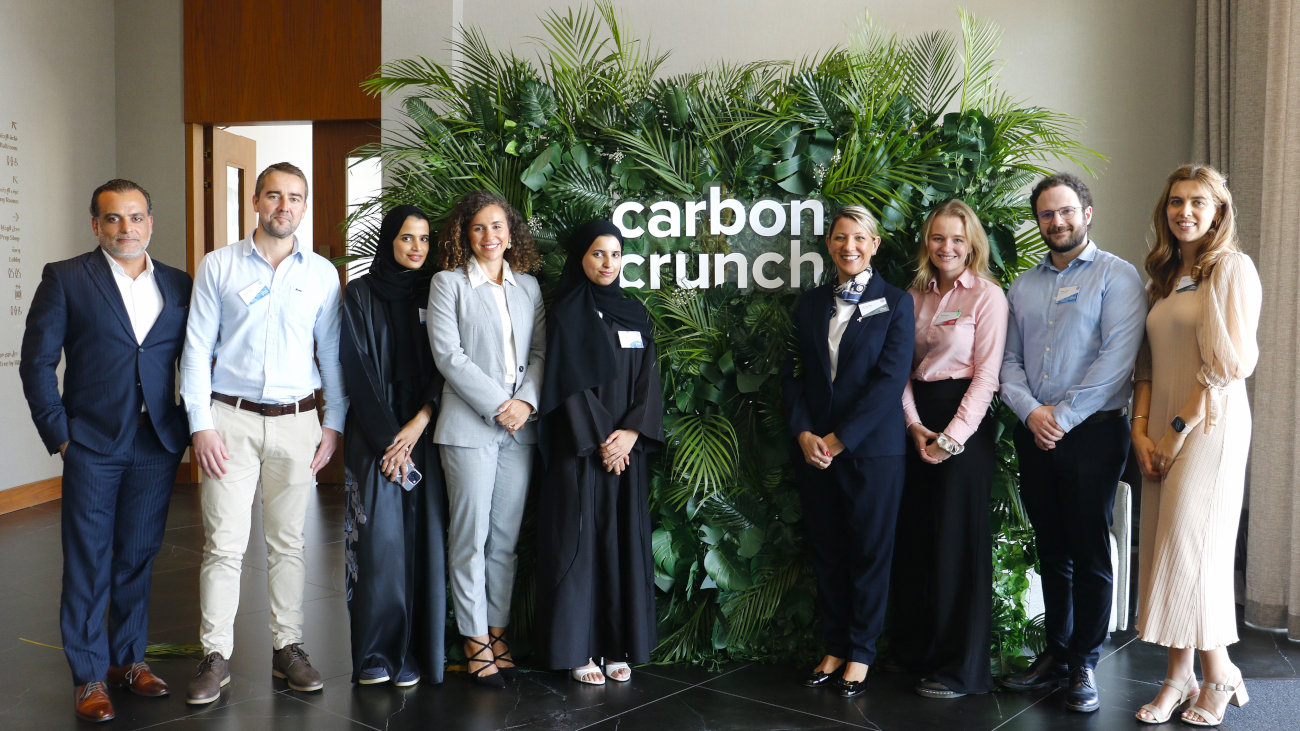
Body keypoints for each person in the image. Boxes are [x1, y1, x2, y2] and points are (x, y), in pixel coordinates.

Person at [20, 179, 192, 722]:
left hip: (157, 441)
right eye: (114, 219)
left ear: (150, 222)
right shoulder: (67, 277)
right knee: (89, 560)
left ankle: (127, 661)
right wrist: (61, 435)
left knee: (137, 556)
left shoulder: (179, 284)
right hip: (91, 442)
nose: (126, 228)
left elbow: (200, 356)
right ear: (96, 225)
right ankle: (90, 675)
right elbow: (37, 363)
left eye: (136, 217)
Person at [179, 162, 347, 704]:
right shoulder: (219, 266)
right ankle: (214, 655)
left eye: (295, 197)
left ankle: (287, 648)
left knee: (289, 544)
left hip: (299, 421)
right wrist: (200, 425)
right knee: (224, 545)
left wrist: (333, 423)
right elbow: (196, 350)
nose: (284, 206)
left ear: (304, 206)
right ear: (255, 201)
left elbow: (334, 357)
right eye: (274, 196)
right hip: (229, 421)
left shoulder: (321, 274)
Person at [998, 173, 1147, 713]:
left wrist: (1058, 417)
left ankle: (1084, 661)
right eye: (1045, 214)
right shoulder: (1023, 285)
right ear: (1038, 221)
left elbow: (1116, 363)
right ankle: (1056, 655)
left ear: (1087, 212)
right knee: (1051, 550)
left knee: (1088, 552)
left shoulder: (1118, 277)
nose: (1056, 222)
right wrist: (1033, 414)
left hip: (1093, 434)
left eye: (1065, 211)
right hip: (1035, 430)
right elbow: (1007, 362)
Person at [1130, 165, 1260, 726]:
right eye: (1176, 202)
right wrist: (1140, 428)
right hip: (1160, 420)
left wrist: (1175, 431)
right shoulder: (1164, 275)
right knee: (1167, 550)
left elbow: (1228, 368)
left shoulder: (1231, 269)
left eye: (1197, 203)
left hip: (1210, 427)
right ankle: (1178, 675)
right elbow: (1148, 362)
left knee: (1192, 545)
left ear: (1218, 213)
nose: (1184, 212)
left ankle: (1220, 674)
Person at [782, 205, 914, 698]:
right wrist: (804, 434)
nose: (850, 246)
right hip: (815, 451)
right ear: (829, 244)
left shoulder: (896, 302)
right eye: (840, 237)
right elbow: (794, 376)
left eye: (860, 237)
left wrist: (840, 440)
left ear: (875, 244)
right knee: (829, 552)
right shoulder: (811, 303)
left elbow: (889, 382)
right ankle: (834, 647)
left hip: (872, 454)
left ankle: (861, 653)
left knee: (869, 554)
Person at [534, 221, 664, 685]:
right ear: (580, 259)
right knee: (580, 546)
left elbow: (649, 378)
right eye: (597, 254)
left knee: (619, 547)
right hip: (580, 452)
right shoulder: (567, 312)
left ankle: (615, 646)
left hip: (625, 453)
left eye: (614, 254)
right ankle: (578, 650)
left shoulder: (635, 312)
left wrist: (630, 433)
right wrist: (602, 441)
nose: (608, 263)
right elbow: (566, 383)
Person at [427, 190, 545, 688]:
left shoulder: (530, 288)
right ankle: (473, 637)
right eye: (478, 228)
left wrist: (526, 403)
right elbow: (448, 356)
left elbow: (541, 352)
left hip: (521, 430)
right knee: (469, 538)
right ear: (464, 234)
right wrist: (501, 404)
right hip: (470, 427)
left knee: (505, 541)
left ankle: (497, 632)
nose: (489, 236)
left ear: (511, 232)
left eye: (498, 227)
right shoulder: (447, 284)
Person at [891, 200, 1007, 699]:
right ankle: (920, 657)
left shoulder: (987, 296)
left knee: (958, 547)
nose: (947, 247)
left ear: (972, 243)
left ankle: (961, 670)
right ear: (927, 243)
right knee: (919, 543)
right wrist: (916, 427)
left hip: (966, 426)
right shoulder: (912, 297)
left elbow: (987, 376)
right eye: (938, 238)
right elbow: (898, 370)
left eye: (957, 239)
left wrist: (952, 438)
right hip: (917, 424)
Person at [339, 204, 447, 687]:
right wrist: (390, 440)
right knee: (380, 547)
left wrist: (418, 424)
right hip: (375, 439)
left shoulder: (437, 292)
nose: (416, 248)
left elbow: (448, 364)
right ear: (389, 241)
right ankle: (376, 656)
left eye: (424, 240)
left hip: (424, 434)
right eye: (407, 238)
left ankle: (413, 653)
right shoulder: (360, 294)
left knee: (421, 544)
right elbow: (356, 367)